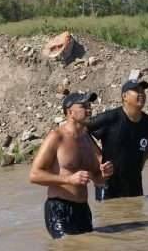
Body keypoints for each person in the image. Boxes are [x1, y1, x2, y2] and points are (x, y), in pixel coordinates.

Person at [29, 91, 113, 238]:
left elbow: (97, 178)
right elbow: (34, 175)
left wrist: (105, 174)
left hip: (83, 209)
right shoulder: (56, 137)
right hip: (58, 207)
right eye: (83, 106)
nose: (89, 109)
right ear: (70, 112)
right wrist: (68, 180)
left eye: (89, 105)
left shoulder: (87, 138)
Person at [87, 79, 148, 200]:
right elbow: (82, 131)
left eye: (143, 91)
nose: (141, 94)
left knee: (136, 214)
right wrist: (98, 156)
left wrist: (144, 157)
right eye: (136, 91)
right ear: (124, 96)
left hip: (134, 186)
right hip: (108, 184)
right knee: (107, 215)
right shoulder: (110, 118)